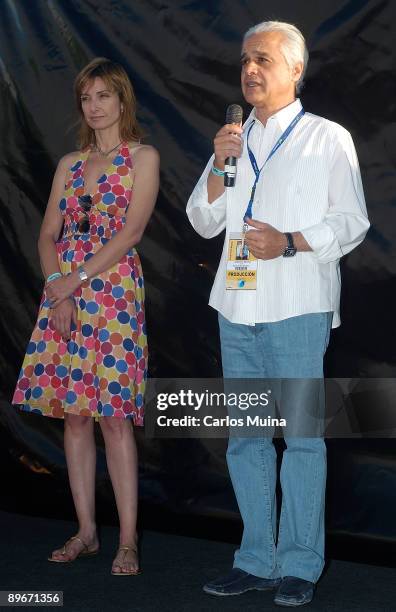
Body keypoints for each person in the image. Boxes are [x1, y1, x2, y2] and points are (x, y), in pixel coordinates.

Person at [187, 20, 369, 607]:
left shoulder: (327, 137)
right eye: (245, 60)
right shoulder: (233, 137)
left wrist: (289, 240)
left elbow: (352, 222)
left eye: (263, 59)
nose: (250, 70)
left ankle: (299, 565)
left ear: (296, 68)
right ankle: (255, 559)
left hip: (296, 310)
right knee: (245, 440)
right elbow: (202, 219)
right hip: (236, 309)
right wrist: (219, 164)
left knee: (303, 441)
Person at [12, 57, 159, 575]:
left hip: (114, 293)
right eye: (86, 97)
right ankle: (87, 532)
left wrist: (76, 281)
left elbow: (132, 232)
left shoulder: (142, 157)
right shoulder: (69, 165)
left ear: (122, 100)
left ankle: (127, 540)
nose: (93, 107)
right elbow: (47, 234)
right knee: (75, 416)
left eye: (102, 96)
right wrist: (59, 288)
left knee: (115, 419)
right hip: (65, 297)